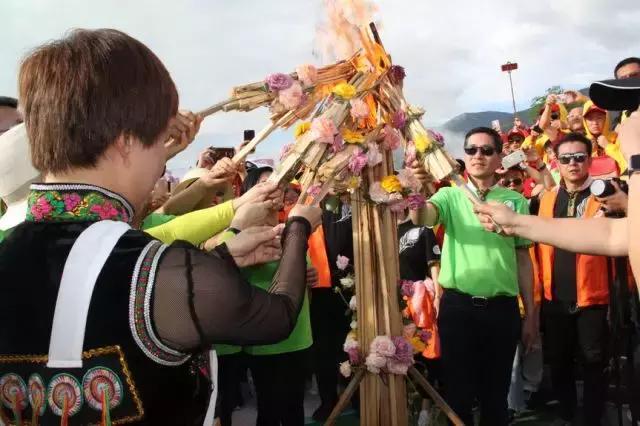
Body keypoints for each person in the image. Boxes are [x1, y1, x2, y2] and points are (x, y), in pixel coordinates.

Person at [0, 29, 322, 425]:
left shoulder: (15, 249)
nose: (162, 163)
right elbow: (278, 315)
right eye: (159, 143)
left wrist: (223, 257)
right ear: (125, 141)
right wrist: (299, 227)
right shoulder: (148, 265)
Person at [410, 127, 536, 426]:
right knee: (459, 394)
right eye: (472, 150)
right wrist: (416, 188)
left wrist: (531, 313)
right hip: (459, 308)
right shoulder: (449, 195)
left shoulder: (513, 201)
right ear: (464, 156)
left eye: (487, 150)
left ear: (498, 157)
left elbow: (523, 260)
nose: (478, 155)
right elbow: (422, 217)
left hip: (503, 309)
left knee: (496, 395)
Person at [539, 133, 611, 425]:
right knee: (558, 362)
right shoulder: (546, 199)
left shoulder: (604, 194)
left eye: (579, 157)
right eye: (565, 158)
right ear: (556, 163)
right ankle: (567, 416)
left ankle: (594, 418)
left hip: (592, 295)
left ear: (590, 160)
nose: (572, 164)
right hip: (553, 296)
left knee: (594, 363)